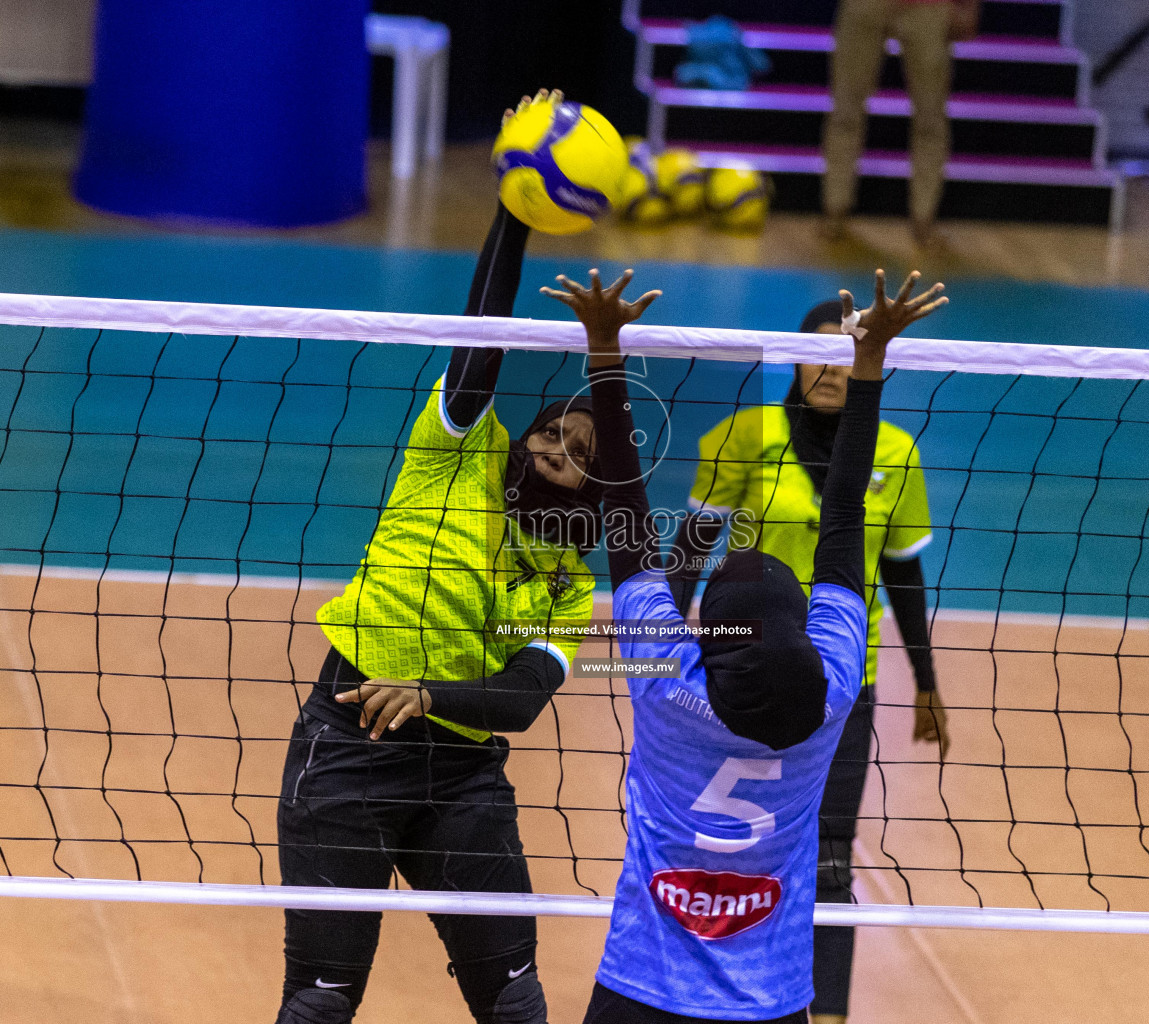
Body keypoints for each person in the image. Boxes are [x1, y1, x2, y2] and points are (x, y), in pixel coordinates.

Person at [543, 265, 945, 1022]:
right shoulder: (831, 698)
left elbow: (627, 518)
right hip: (770, 1002)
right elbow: (846, 524)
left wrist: (603, 350)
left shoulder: (665, 687)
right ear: (807, 629)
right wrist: (871, 366)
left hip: (640, 991)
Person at [273, 92, 597, 1024]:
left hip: (461, 774)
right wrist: (515, 206)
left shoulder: (567, 584)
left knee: (514, 998)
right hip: (348, 748)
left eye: (583, 456)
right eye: (552, 433)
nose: (557, 452)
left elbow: (522, 698)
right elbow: (482, 339)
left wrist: (430, 696)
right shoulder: (451, 455)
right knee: (324, 998)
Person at [666, 299, 950, 1024]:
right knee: (725, 848)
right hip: (741, 680)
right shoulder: (740, 437)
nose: (831, 366)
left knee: (829, 855)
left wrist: (926, 682)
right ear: (790, 357)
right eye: (818, 350)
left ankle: (825, 1016)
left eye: (848, 350)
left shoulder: (897, 452)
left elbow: (903, 576)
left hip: (846, 683)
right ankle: (711, 991)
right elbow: (692, 550)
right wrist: (654, 650)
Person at [820, 0, 981, 245]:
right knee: (845, 111)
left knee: (931, 118)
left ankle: (924, 221)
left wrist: (969, 7)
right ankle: (835, 213)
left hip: (929, 7)